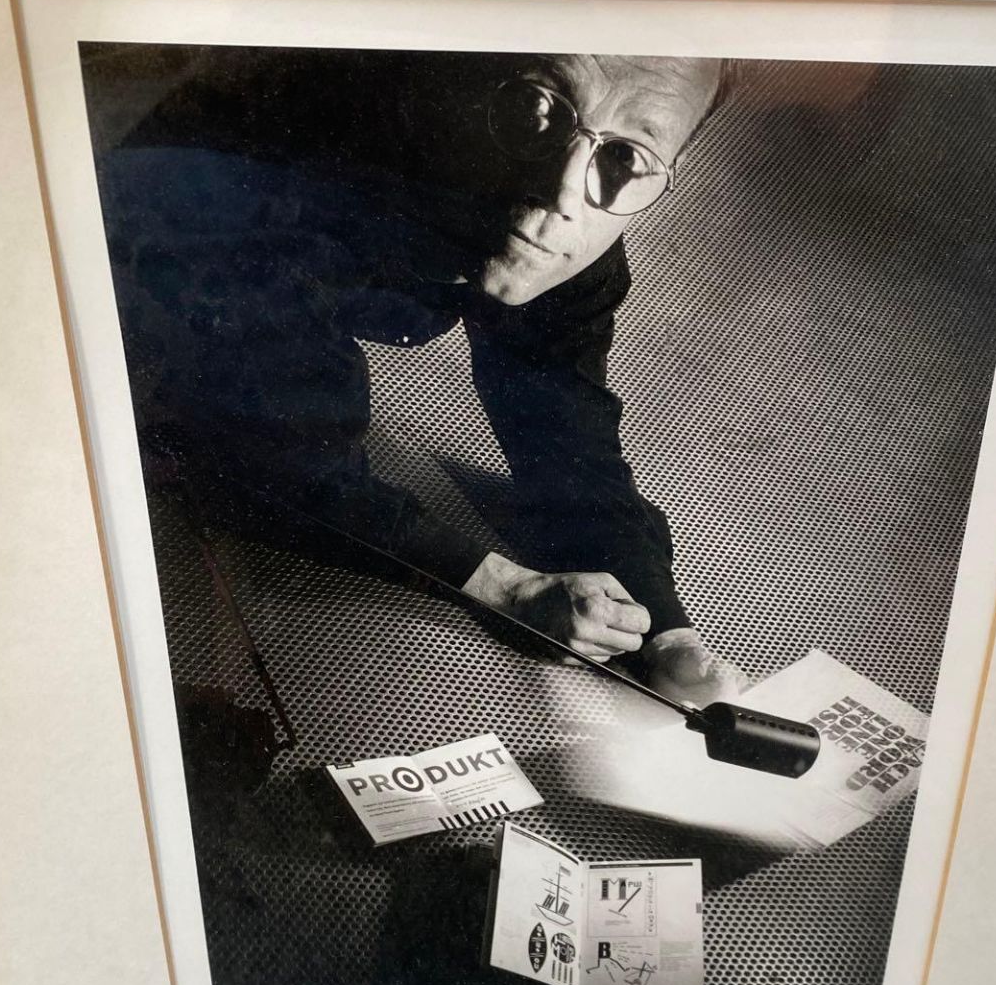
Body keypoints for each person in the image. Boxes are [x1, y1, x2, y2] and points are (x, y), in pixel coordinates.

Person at [92, 46, 745, 706]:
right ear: (456, 85)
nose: (562, 194)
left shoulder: (563, 223)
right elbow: (278, 463)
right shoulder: (291, 168)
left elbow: (566, 434)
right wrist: (499, 586)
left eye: (627, 157)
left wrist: (667, 629)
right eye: (534, 111)